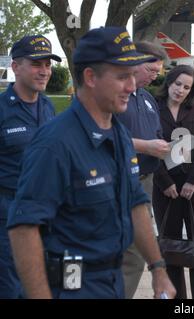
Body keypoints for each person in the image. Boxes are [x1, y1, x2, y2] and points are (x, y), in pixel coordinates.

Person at [7, 27, 176, 299]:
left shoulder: (118, 134)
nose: (131, 86)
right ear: (90, 77)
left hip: (110, 281)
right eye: (122, 77)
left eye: (133, 76)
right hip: (69, 286)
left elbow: (136, 204)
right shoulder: (55, 143)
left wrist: (158, 268)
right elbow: (24, 229)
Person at [0, 35, 61, 298]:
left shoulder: (48, 107)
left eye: (47, 65)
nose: (44, 71)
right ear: (15, 67)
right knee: (10, 288)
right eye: (37, 64)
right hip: (7, 216)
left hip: (43, 215)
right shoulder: (2, 110)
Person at [153, 65, 194, 299]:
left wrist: (193, 181)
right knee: (169, 245)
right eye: (178, 84)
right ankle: (174, 297)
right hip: (165, 188)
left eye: (186, 87)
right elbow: (151, 149)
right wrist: (164, 182)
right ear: (169, 82)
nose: (180, 90)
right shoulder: (153, 109)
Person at [117, 41, 171, 299]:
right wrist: (145, 146)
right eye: (151, 69)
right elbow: (103, 136)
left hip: (146, 181)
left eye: (158, 71)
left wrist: (162, 147)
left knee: (135, 251)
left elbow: (156, 134)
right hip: (122, 180)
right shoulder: (116, 96)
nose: (155, 76)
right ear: (134, 63)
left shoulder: (147, 98)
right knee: (133, 253)